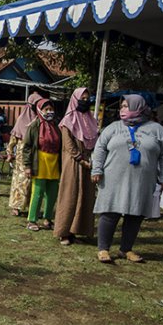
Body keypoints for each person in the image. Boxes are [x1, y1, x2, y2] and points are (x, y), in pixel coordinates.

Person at [91, 94, 163, 263]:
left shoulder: (156, 129)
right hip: (113, 178)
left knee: (135, 214)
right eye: (122, 106)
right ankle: (103, 249)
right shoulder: (113, 128)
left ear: (139, 107)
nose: (122, 109)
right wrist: (96, 170)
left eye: (126, 106)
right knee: (110, 212)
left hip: (142, 180)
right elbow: (99, 149)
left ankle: (126, 249)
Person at [53, 88, 98, 245]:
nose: (85, 101)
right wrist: (80, 159)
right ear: (75, 100)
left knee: (85, 196)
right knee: (70, 195)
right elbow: (69, 145)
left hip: (88, 163)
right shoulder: (68, 120)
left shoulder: (92, 119)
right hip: (73, 163)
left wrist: (91, 160)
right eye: (82, 98)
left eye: (87, 98)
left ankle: (76, 230)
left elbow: (95, 141)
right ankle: (63, 232)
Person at [22, 99, 61, 231]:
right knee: (37, 192)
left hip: (54, 162)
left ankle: (48, 218)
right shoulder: (34, 126)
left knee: (52, 192)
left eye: (51, 109)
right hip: (40, 162)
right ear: (39, 110)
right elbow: (27, 146)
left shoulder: (56, 125)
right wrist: (27, 166)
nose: (49, 112)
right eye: (46, 109)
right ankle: (32, 220)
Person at [6, 92, 43, 214]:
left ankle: (31, 207)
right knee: (21, 181)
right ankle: (16, 206)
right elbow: (14, 137)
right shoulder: (22, 119)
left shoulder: (41, 119)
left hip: (37, 154)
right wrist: (10, 152)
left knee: (33, 181)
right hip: (22, 155)